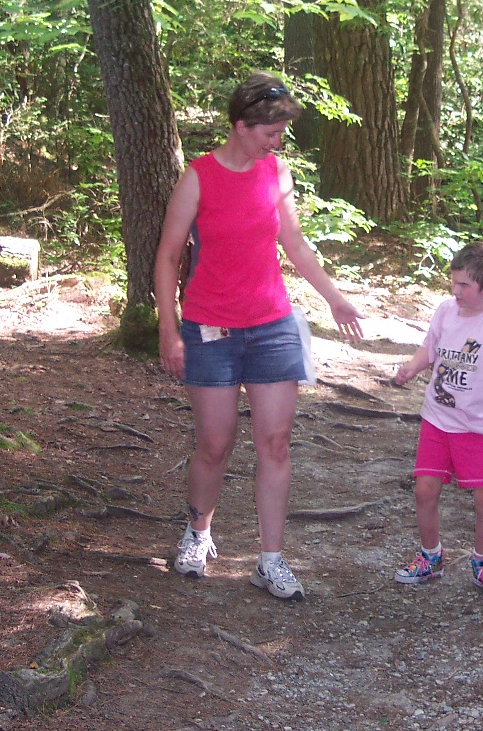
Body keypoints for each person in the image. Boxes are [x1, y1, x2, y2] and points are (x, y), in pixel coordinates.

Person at [154, 72, 363, 601]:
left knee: (275, 442)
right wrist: (168, 329)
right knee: (214, 443)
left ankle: (271, 560)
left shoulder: (277, 172)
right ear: (241, 126)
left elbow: (293, 242)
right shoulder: (198, 176)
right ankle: (198, 533)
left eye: (281, 133)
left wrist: (333, 297)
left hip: (271, 324)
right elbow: (168, 254)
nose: (277, 142)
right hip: (210, 327)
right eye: (270, 132)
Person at [391, 242, 483, 594]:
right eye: (454, 283)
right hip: (438, 417)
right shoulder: (445, 311)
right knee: (424, 488)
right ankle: (430, 556)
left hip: (480, 425)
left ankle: (482, 562)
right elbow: (430, 348)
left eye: (464, 285)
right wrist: (412, 367)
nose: (456, 291)